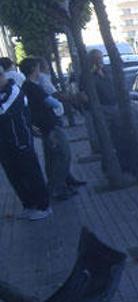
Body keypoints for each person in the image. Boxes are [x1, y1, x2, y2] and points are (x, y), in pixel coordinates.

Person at [20, 57, 76, 202]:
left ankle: (55, 187)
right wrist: (58, 103)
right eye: (38, 67)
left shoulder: (27, 86)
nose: (40, 70)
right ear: (33, 69)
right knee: (63, 154)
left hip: (45, 125)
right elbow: (50, 101)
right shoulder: (32, 87)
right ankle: (57, 187)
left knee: (52, 157)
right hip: (50, 126)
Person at [0, 70, 52, 220]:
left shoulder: (14, 91)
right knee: (15, 176)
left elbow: (3, 112)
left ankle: (44, 206)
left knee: (31, 173)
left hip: (21, 140)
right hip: (4, 145)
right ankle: (29, 205)